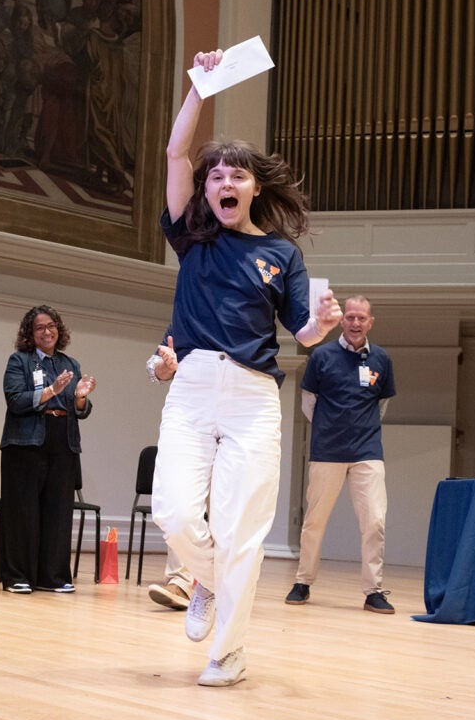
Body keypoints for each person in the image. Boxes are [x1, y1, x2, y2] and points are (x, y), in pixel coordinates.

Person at [150, 48, 342, 687]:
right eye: (215, 176)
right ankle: (203, 578)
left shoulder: (282, 255)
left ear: (254, 186)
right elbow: (177, 153)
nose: (223, 182)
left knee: (242, 531)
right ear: (206, 190)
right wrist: (199, 87)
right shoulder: (191, 237)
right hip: (194, 387)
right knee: (173, 514)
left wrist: (324, 327)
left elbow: (303, 330)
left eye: (236, 175)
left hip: (255, 397)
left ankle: (226, 654)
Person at [285, 295, 397, 613]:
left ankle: (373, 590)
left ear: (370, 322)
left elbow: (381, 406)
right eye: (350, 317)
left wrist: (359, 430)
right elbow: (309, 403)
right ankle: (303, 582)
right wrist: (329, 429)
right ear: (342, 320)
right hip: (327, 451)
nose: (356, 323)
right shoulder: (321, 356)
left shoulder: (382, 360)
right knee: (314, 521)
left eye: (362, 318)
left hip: (368, 451)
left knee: (375, 520)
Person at [0, 305, 96, 594]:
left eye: (51, 325)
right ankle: (18, 576)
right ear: (30, 333)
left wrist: (80, 398)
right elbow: (15, 400)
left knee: (58, 512)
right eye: (40, 327)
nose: (47, 331)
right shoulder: (19, 361)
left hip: (62, 442)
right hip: (25, 444)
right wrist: (51, 391)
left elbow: (81, 409)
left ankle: (52, 576)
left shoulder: (70, 363)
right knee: (23, 512)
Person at [144, 334, 194, 611]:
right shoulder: (187, 313)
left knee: (224, 510)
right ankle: (181, 583)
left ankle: (220, 585)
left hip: (234, 420)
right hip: (189, 421)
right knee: (180, 503)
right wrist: (167, 367)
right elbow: (155, 368)